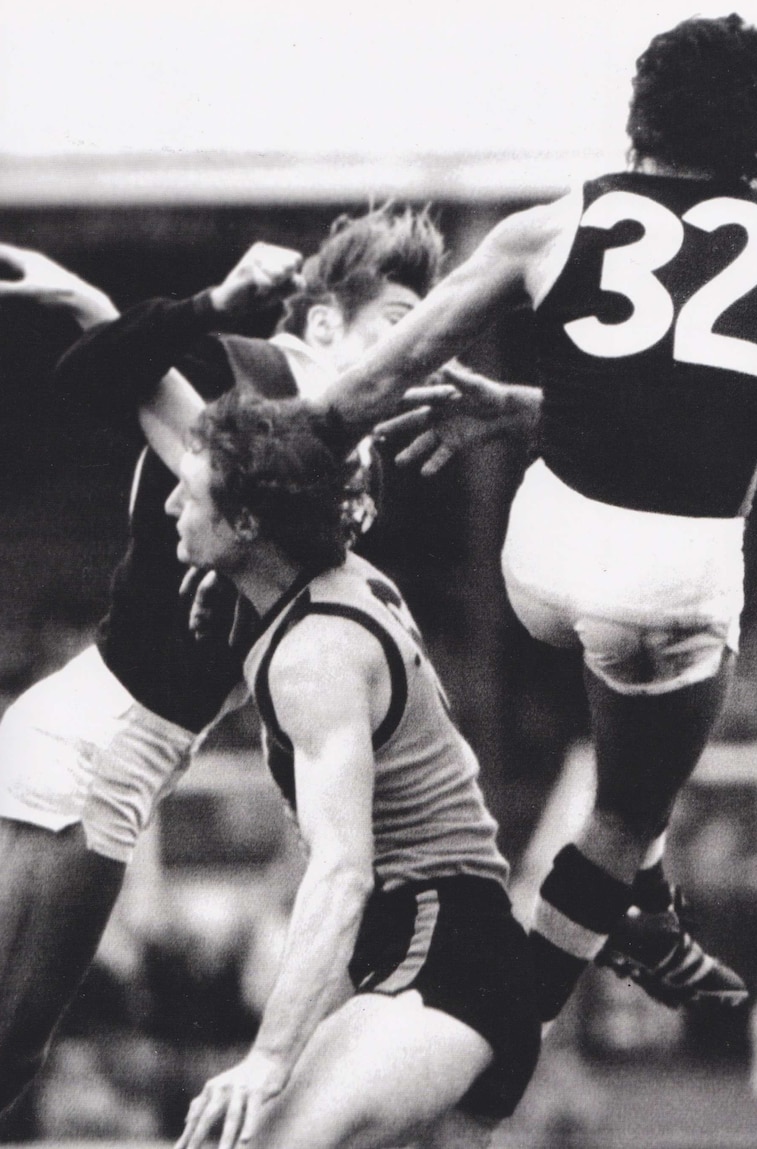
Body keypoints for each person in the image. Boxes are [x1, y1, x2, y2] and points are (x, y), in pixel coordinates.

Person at [314, 14, 757, 1022]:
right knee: (630, 801)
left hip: (539, 557)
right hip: (663, 596)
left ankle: (651, 910)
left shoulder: (546, 226)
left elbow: (386, 373)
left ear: (639, 116)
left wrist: (298, 446)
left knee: (626, 694)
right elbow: (698, 428)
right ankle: (512, 1027)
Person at [0, 204, 446, 1115]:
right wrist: (199, 302)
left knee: (11, 1047)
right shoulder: (259, 375)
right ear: (325, 323)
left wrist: (97, 305)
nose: (417, 351)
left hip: (123, 744)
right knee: (10, 1043)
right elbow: (99, 380)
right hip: (100, 742)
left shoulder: (352, 450)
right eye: (400, 324)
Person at [157, 388, 540, 1149]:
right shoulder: (337, 579)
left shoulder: (315, 654)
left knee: (243, 1142)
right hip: (459, 952)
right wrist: (228, 585)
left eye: (189, 492)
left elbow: (342, 872)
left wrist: (268, 1060)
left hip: (439, 961)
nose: (170, 503)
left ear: (246, 525)